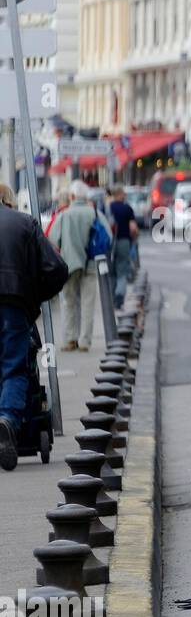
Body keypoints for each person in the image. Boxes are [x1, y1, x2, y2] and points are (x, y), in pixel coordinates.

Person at [0, 183, 69, 470]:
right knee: (15, 367)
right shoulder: (24, 223)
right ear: (9, 200)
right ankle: (7, 420)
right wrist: (35, 298)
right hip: (14, 305)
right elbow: (57, 268)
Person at [47, 181, 111, 352]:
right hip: (91, 264)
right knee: (88, 303)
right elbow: (108, 236)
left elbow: (53, 239)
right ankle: (85, 341)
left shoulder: (65, 215)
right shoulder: (95, 213)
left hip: (69, 264)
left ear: (72, 197)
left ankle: (70, 339)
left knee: (69, 302)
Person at [107, 187, 139, 310]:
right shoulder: (127, 209)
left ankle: (111, 297)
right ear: (119, 194)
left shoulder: (108, 208)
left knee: (111, 271)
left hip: (110, 244)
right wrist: (134, 240)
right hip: (124, 242)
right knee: (122, 270)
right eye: (124, 193)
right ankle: (119, 298)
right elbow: (133, 228)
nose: (125, 195)